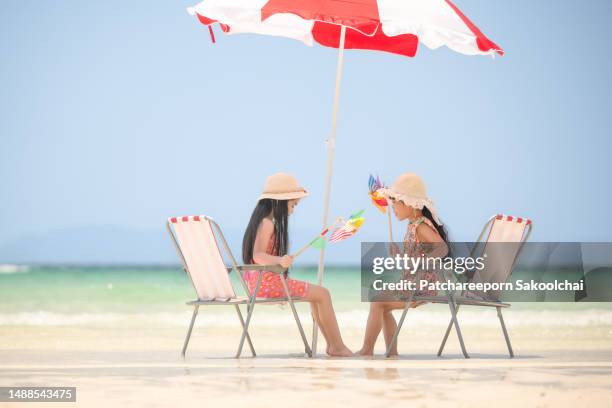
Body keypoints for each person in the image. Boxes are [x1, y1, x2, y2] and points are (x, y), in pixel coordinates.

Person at [242, 173, 353, 357]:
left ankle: (333, 345)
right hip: (266, 284)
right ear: (279, 202)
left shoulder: (263, 222)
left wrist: (281, 261)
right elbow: (258, 255)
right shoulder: (267, 223)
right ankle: (337, 346)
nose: (293, 210)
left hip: (258, 283)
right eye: (293, 204)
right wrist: (279, 260)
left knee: (317, 296)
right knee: (323, 294)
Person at [357, 173, 449, 357]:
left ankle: (367, 350)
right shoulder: (413, 224)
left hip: (421, 286)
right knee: (380, 303)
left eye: (395, 203)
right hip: (413, 283)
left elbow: (442, 249)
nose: (392, 209)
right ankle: (392, 353)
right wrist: (401, 255)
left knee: (377, 301)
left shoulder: (421, 226)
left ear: (409, 204)